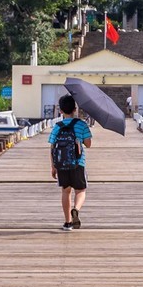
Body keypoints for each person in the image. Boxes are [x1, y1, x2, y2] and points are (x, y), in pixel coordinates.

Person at [49, 94, 92, 231]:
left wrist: (53, 167)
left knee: (65, 191)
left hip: (61, 164)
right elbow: (88, 144)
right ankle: (76, 209)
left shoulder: (57, 126)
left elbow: (52, 148)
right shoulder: (81, 125)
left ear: (60, 111)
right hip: (78, 163)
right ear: (74, 109)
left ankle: (67, 222)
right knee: (81, 190)